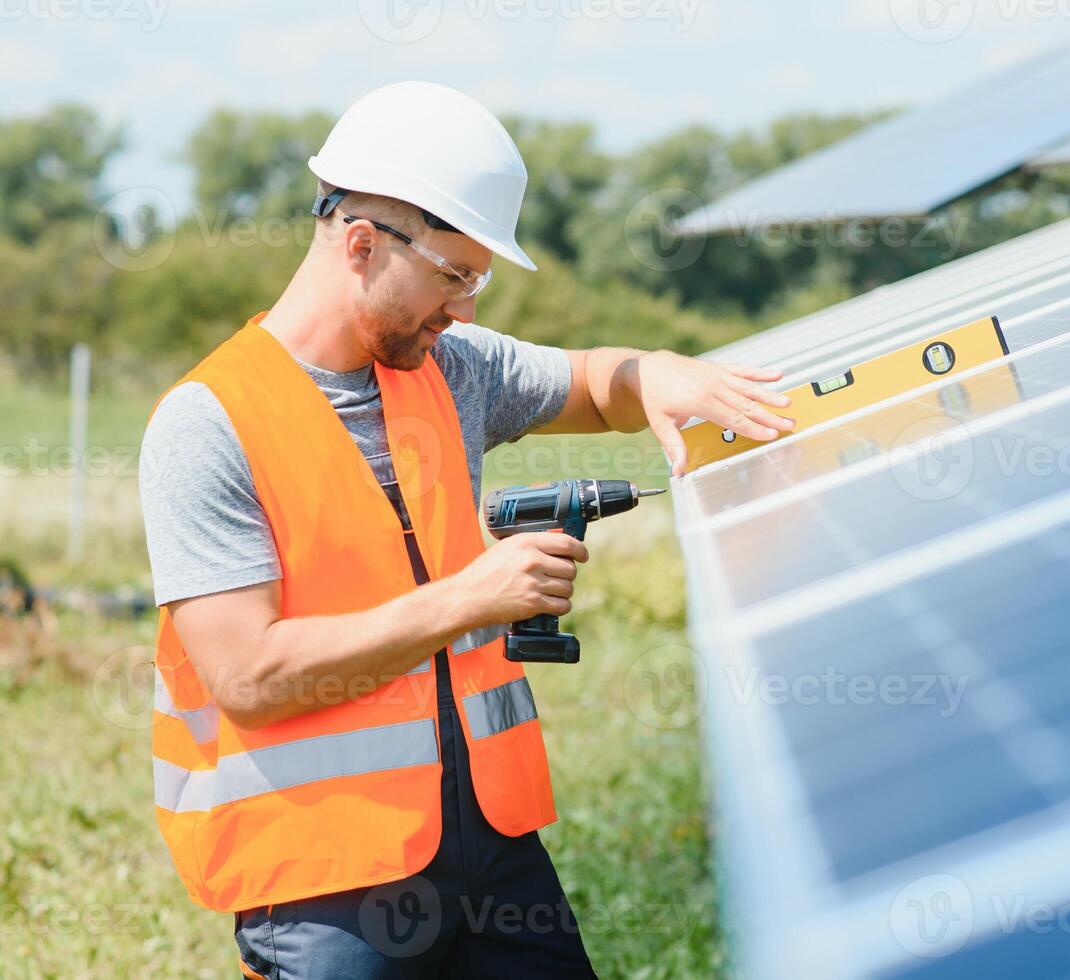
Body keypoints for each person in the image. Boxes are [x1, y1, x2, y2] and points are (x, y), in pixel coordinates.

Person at [138, 80, 793, 978]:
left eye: (478, 281)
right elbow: (249, 678)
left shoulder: (451, 366)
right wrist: (470, 598)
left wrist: (654, 373)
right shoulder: (207, 423)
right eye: (454, 278)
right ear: (362, 245)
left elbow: (597, 382)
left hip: (489, 841)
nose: (466, 311)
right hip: (328, 879)